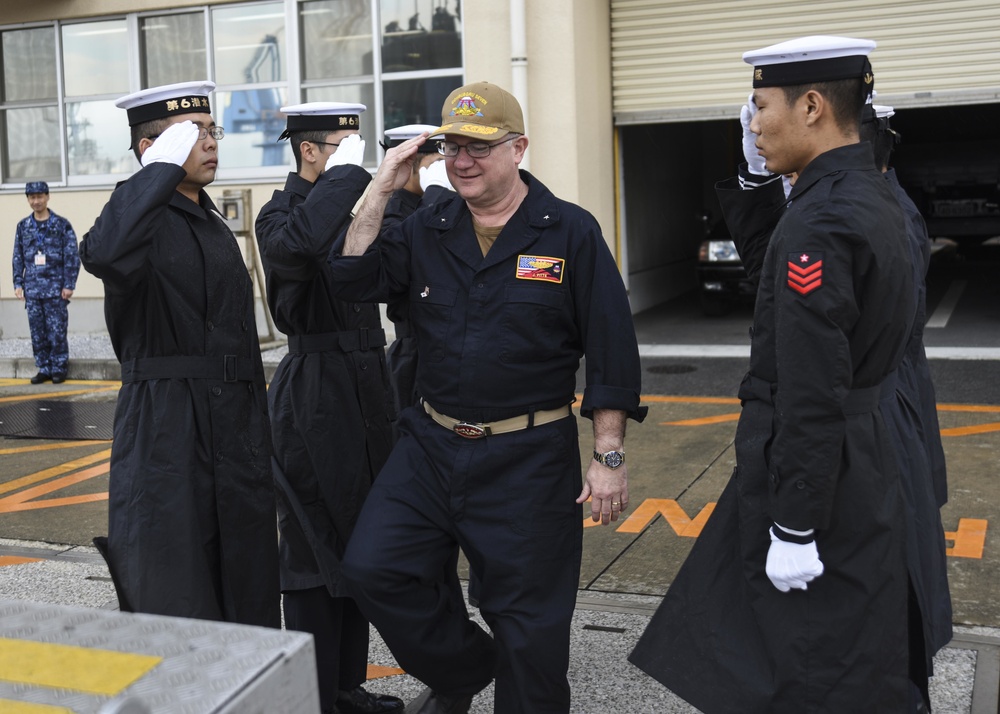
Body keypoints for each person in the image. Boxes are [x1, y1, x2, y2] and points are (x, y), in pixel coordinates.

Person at [330, 81, 646, 714]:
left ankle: (511, 673)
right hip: (431, 445)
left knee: (531, 628)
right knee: (373, 569)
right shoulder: (429, 226)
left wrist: (607, 455)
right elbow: (352, 275)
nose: (461, 161)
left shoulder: (569, 233)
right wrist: (382, 184)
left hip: (529, 457)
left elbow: (611, 348)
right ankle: (469, 666)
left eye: (479, 147)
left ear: (519, 148)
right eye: (450, 148)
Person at [630, 37, 916, 713]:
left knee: (806, 665)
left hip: (825, 477)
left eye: (760, 107)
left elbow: (812, 389)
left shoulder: (820, 221)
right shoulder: (870, 196)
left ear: (812, 106)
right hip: (862, 461)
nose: (753, 126)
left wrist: (794, 522)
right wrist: (760, 186)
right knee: (839, 648)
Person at [79, 81, 279, 627]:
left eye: (212, 130)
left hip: (233, 425)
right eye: (192, 134)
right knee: (176, 580)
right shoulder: (135, 215)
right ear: (153, 149)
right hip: (168, 423)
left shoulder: (209, 217)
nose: (211, 141)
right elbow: (102, 254)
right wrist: (154, 177)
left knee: (245, 574)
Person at [254, 102, 403, 714]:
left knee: (360, 545)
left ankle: (347, 685)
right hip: (315, 389)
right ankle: (315, 696)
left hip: (370, 382)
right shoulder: (280, 213)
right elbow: (301, 250)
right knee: (315, 553)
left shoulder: (352, 200)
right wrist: (350, 177)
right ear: (310, 151)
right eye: (340, 146)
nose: (352, 158)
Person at [380, 123, 453, 416]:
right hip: (415, 352)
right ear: (410, 164)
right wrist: (434, 196)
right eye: (436, 164)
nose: (444, 172)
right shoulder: (394, 212)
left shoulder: (446, 201)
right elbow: (404, 264)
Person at [12, 181, 80, 385]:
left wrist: (69, 284)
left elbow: (72, 256)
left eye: (40, 196)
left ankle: (59, 367)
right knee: (37, 333)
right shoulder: (23, 226)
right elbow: (18, 256)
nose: (36, 201)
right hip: (33, 290)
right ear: (28, 200)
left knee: (57, 331)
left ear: (47, 197)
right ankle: (44, 367)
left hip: (56, 290)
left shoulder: (61, 224)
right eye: (32, 198)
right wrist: (18, 283)